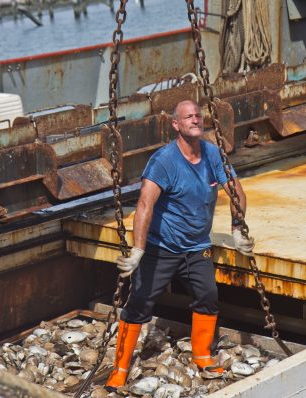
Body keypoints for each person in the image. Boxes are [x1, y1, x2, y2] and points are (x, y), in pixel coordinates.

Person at [105, 100, 255, 390]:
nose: (195, 120)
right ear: (176, 125)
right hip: (161, 247)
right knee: (139, 304)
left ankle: (201, 355)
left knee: (208, 296)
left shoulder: (212, 153)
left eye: (198, 116)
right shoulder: (164, 161)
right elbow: (146, 204)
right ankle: (120, 368)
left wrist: (237, 229)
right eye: (188, 117)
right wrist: (138, 250)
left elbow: (236, 190)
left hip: (196, 246)